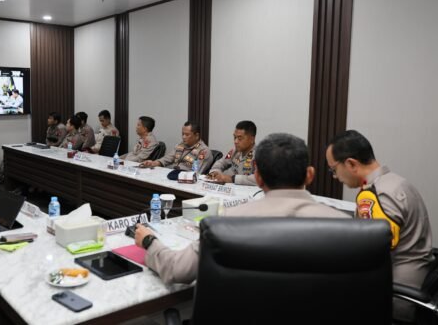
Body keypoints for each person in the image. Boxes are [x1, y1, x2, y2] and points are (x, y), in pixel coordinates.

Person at [135, 133, 349, 284]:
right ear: (310, 175)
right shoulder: (346, 226)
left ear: (257, 178)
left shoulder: (227, 223)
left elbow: (176, 270)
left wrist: (149, 241)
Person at [326, 130, 433, 322]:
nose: (334, 176)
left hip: (395, 293)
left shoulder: (376, 194)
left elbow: (373, 251)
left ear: (351, 164)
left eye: (333, 169)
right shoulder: (395, 182)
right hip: (415, 277)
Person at [140, 121, 213, 174]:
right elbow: (167, 159)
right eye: (182, 134)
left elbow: (195, 173)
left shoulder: (203, 151)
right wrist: (153, 163)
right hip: (171, 174)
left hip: (185, 179)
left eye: (187, 135)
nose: (183, 137)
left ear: (196, 135)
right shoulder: (180, 145)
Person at [208, 120, 257, 185]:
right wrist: (215, 172)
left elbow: (260, 178)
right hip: (229, 189)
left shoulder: (260, 155)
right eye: (234, 137)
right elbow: (221, 163)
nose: (235, 141)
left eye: (240, 138)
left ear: (252, 139)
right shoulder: (234, 151)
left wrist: (232, 179)